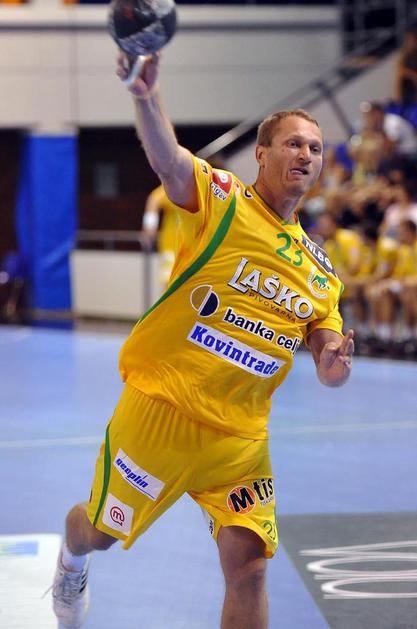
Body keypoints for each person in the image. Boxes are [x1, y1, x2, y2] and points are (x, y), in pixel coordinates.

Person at [51, 53, 354, 629]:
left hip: (239, 439)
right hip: (162, 411)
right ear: (261, 153)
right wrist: (145, 95)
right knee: (100, 532)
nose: (306, 155)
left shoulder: (320, 272)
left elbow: (327, 359)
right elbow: (168, 160)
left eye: (315, 148)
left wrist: (334, 365)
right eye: (293, 143)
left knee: (250, 568)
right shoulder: (224, 199)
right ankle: (71, 561)